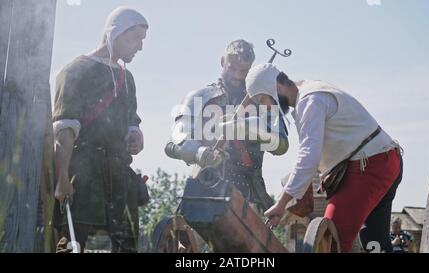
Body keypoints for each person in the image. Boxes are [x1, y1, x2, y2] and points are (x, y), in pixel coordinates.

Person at [246, 63, 403, 253]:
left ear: (275, 88)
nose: (267, 107)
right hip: (383, 160)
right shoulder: (309, 92)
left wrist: (281, 203)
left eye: (263, 100)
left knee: (328, 240)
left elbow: (308, 157)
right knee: (375, 245)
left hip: (370, 166)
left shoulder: (310, 101)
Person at [52, 6, 148, 253]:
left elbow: (131, 123)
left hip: (119, 177)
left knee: (127, 247)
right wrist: (63, 179)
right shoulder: (76, 71)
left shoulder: (128, 79)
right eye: (136, 38)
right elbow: (64, 131)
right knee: (73, 245)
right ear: (116, 33)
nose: (140, 47)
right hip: (84, 174)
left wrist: (136, 136)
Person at [165, 40, 289, 211]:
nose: (238, 76)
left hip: (250, 192)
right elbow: (173, 144)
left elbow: (281, 145)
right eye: (232, 68)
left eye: (244, 71)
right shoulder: (199, 97)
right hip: (205, 187)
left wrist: (249, 129)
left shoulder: (263, 101)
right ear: (222, 62)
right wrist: (199, 153)